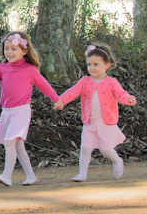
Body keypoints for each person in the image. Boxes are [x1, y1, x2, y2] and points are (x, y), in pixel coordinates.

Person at [0, 31, 59, 186]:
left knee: (9, 141)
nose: (9, 52)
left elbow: (45, 86)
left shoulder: (30, 70)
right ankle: (31, 176)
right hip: (7, 112)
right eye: (6, 48)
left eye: (13, 49)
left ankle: (7, 175)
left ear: (24, 51)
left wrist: (57, 100)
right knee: (18, 146)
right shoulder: (2, 68)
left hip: (21, 112)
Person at [54, 43, 136, 181]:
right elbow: (72, 92)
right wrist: (61, 100)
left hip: (106, 122)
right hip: (90, 121)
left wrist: (129, 99)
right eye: (89, 65)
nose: (91, 68)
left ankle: (117, 161)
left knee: (105, 150)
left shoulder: (112, 82)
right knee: (85, 148)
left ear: (107, 65)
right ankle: (82, 174)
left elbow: (121, 94)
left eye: (96, 64)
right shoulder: (85, 81)